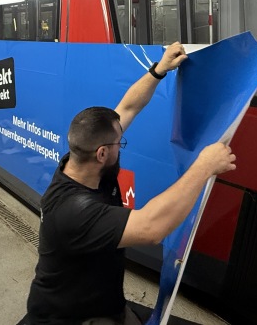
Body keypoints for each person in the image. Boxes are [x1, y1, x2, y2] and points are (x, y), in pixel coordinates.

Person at [25, 42, 237, 325]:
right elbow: (152, 228)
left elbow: (127, 107)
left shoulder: (80, 161)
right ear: (102, 153)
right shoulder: (74, 211)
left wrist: (159, 70)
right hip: (70, 318)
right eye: (119, 142)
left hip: (103, 304)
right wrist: (204, 166)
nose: (121, 145)